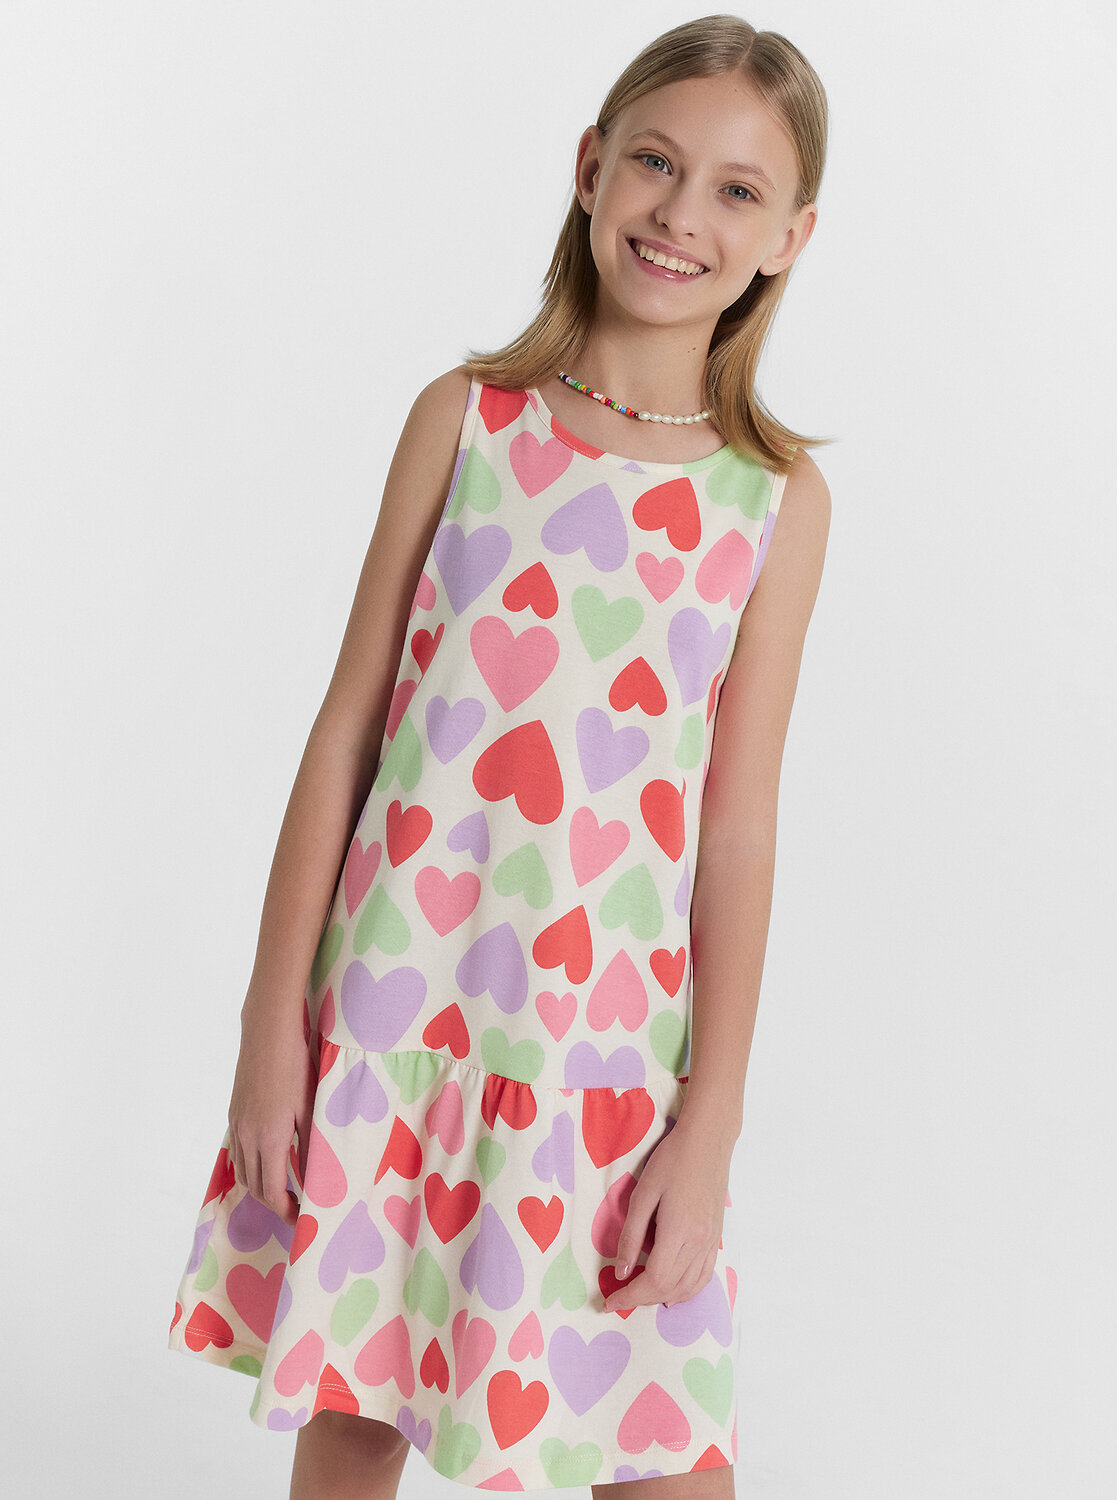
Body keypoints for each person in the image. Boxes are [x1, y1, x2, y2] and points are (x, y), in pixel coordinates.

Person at [169, 13, 832, 1497]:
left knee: (661, 1455)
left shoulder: (771, 503)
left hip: (601, 1059)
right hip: (395, 1014)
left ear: (788, 238)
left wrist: (709, 1126)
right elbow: (348, 729)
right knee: (356, 1417)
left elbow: (738, 828)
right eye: (654, 162)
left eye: (736, 190)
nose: (681, 212)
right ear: (590, 168)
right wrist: (270, 1027)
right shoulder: (468, 422)